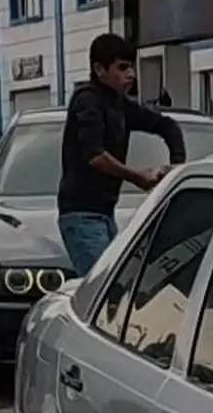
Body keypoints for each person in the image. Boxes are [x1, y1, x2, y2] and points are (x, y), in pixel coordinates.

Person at [58, 34, 186, 277]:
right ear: (99, 69)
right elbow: (94, 156)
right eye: (122, 67)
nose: (131, 74)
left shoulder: (121, 105)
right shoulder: (87, 101)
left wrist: (176, 168)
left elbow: (167, 125)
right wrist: (137, 177)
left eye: (132, 66)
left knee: (111, 287)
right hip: (81, 215)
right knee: (101, 287)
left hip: (105, 214)